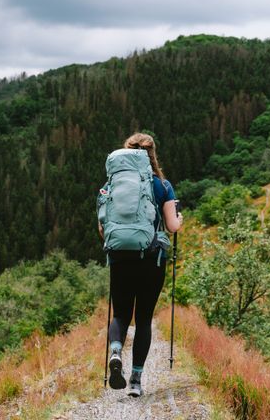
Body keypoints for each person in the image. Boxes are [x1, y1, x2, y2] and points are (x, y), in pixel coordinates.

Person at [98, 132, 183, 397]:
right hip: (152, 259)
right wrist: (180, 219)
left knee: (121, 314)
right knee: (143, 318)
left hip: (120, 257)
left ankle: (115, 352)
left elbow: (103, 229)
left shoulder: (109, 186)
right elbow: (171, 226)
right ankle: (135, 381)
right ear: (151, 155)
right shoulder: (162, 186)